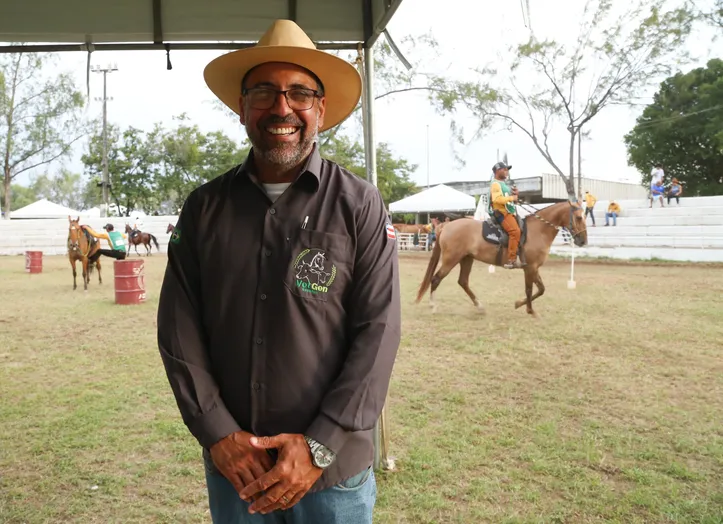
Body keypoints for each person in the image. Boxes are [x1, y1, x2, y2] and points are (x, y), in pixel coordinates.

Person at [156, 19, 401, 524]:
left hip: (333, 476)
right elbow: (179, 329)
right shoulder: (204, 208)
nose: (282, 107)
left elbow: (378, 332)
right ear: (242, 107)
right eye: (264, 92)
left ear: (321, 110)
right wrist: (219, 434)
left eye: (300, 93)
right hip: (237, 471)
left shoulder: (359, 205)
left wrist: (321, 445)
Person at [488, 161, 523, 269]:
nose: (507, 172)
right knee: (515, 232)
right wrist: (512, 198)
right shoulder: (495, 184)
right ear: (498, 171)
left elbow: (509, 202)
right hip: (501, 213)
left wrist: (515, 195)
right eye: (505, 169)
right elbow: (497, 199)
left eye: (507, 170)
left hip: (509, 212)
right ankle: (511, 260)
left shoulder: (503, 185)